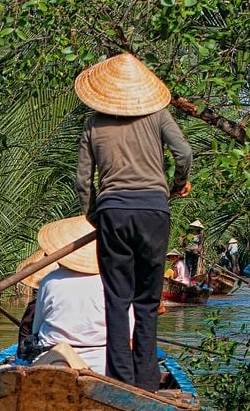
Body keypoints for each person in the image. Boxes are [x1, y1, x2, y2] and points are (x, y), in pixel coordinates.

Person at [74, 52, 193, 391]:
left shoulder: (93, 123)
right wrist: (175, 185)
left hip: (113, 211)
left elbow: (83, 181)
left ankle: (120, 382)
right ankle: (147, 383)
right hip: (155, 211)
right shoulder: (158, 114)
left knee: (117, 300)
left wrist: (95, 214)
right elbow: (183, 154)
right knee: (146, 300)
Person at [20, 216, 132, 375]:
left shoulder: (50, 280)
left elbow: (36, 329)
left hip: (53, 362)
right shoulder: (116, 282)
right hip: (103, 365)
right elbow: (128, 335)